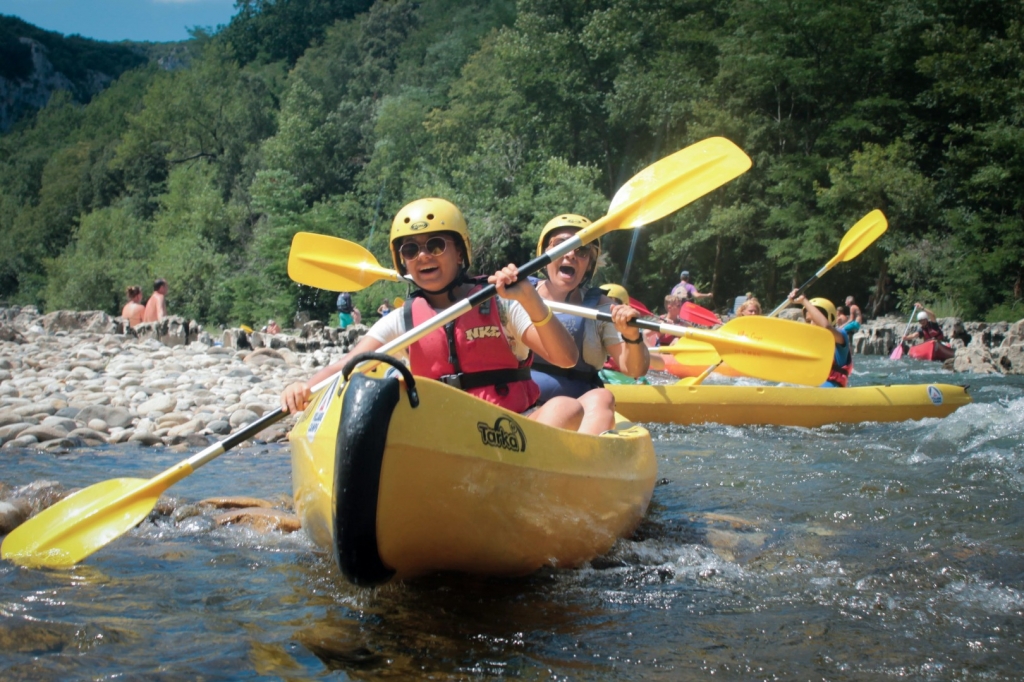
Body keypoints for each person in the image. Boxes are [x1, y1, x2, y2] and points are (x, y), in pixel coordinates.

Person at [281, 198, 589, 433]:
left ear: (460, 252)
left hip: (510, 431)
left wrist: (529, 298)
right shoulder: (403, 320)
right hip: (442, 435)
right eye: (410, 250)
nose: (423, 255)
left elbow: (565, 358)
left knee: (566, 408)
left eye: (436, 245)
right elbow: (347, 366)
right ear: (403, 262)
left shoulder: (500, 303)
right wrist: (303, 388)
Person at [530, 214, 650, 434]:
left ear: (589, 264)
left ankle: (581, 453)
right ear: (544, 253)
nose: (570, 254)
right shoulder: (518, 297)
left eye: (582, 251)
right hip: (523, 408)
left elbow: (635, 370)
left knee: (603, 397)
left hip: (580, 414)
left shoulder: (603, 309)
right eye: (561, 245)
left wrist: (632, 336)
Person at [788, 291, 852, 388]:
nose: (811, 324)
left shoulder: (840, 336)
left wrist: (803, 300)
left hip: (832, 388)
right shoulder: (811, 345)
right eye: (808, 321)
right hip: (811, 387)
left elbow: (827, 327)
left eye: (815, 320)